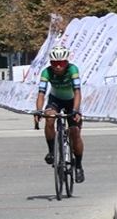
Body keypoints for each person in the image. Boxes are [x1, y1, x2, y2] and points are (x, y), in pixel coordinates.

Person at [34, 46, 85, 183]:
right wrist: (39, 110)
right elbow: (41, 93)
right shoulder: (46, 72)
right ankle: (51, 151)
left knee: (75, 132)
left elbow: (77, 92)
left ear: (66, 62)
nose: (57, 66)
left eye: (61, 63)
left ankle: (79, 165)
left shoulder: (73, 70)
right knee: (49, 118)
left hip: (71, 101)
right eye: (54, 63)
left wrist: (75, 110)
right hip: (55, 100)